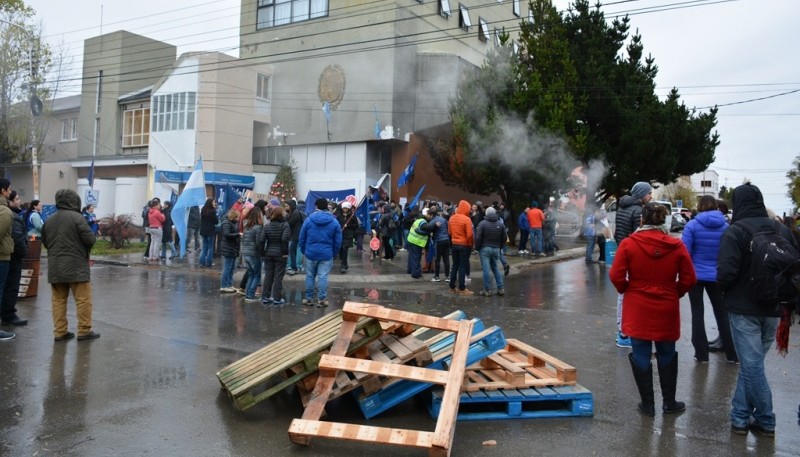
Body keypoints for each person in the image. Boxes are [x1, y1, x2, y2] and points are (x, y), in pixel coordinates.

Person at [717, 183, 796, 437]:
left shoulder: (735, 231)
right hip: (774, 307)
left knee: (751, 366)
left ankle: (765, 418)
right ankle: (740, 417)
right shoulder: (781, 229)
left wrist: (726, 291)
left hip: (743, 310)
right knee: (753, 365)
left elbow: (726, 274)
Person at [609, 202, 696, 417]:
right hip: (666, 305)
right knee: (667, 351)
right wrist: (676, 292)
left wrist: (627, 289)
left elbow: (616, 275)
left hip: (637, 305)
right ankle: (669, 402)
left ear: (642, 220)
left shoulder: (629, 244)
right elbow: (689, 278)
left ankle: (647, 405)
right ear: (664, 221)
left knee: (640, 352)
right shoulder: (676, 246)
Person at [681, 195, 737, 364]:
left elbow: (685, 253)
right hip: (718, 276)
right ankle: (732, 354)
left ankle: (701, 354)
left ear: (699, 206)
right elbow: (728, 253)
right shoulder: (726, 227)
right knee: (722, 314)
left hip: (696, 275)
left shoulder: (692, 225)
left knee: (697, 313)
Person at [42, 189, 99, 341]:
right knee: (83, 299)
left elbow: (46, 242)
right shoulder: (77, 218)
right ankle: (84, 330)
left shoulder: (49, 220)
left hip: (55, 266)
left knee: (58, 301)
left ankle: (60, 332)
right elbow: (90, 239)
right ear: (74, 201)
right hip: (77, 266)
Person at [612, 181, 653, 348]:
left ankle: (621, 331)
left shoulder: (622, 207)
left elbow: (618, 232)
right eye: (649, 193)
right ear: (643, 194)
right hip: (633, 255)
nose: (651, 196)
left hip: (623, 251)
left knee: (622, 296)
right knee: (630, 296)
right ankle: (625, 333)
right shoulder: (638, 211)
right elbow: (640, 237)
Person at [299, 198, 341, 307]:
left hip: (310, 253)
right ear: (327, 206)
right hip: (326, 254)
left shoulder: (308, 220)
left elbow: (302, 238)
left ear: (316, 206)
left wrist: (304, 250)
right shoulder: (334, 221)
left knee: (310, 276)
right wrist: (334, 253)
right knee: (322, 276)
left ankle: (309, 299)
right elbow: (338, 241)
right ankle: (321, 300)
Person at [1, 190, 28, 328]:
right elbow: (17, 239)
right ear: (10, 201)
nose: (20, 201)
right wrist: (23, 252)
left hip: (8, 255)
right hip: (12, 256)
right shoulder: (11, 215)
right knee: (11, 286)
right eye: (17, 199)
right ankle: (8, 314)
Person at [260, 206, 290, 305]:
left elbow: (261, 240)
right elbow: (284, 239)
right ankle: (277, 298)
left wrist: (262, 252)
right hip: (280, 254)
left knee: (268, 275)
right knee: (278, 276)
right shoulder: (285, 225)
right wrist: (285, 253)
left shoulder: (267, 226)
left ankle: (265, 296)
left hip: (268, 253)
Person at [475, 206, 506, 296]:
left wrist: (477, 248)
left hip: (484, 248)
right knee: (495, 268)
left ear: (486, 214)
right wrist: (500, 246)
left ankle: (487, 290)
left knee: (486, 269)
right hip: (496, 248)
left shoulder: (482, 223)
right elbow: (504, 237)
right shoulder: (500, 224)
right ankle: (501, 288)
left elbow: (478, 237)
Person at [448, 200, 474, 296]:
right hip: (464, 245)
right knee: (462, 266)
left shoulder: (451, 218)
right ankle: (462, 288)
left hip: (454, 244)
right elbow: (470, 235)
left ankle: (452, 287)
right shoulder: (467, 219)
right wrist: (471, 244)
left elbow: (449, 232)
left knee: (455, 265)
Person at [240, 205, 264, 302]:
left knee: (251, 274)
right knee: (257, 275)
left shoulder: (247, 227)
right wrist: (262, 252)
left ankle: (248, 294)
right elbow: (259, 242)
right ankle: (250, 295)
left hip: (246, 253)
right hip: (254, 254)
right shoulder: (258, 228)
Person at [406, 208, 433, 279]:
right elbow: (423, 230)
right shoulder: (423, 222)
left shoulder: (418, 220)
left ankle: (410, 270)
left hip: (411, 240)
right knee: (416, 258)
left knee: (411, 257)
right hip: (416, 242)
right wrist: (429, 232)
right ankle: (416, 273)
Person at [219, 209, 241, 292]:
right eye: (237, 217)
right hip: (228, 247)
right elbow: (226, 234)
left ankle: (229, 284)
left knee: (231, 268)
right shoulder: (226, 223)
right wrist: (237, 234)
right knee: (227, 267)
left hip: (233, 247)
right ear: (233, 216)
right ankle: (224, 285)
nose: (238, 219)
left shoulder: (233, 223)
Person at [337, 202, 359, 274]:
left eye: (346, 208)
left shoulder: (352, 216)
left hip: (348, 235)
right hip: (341, 234)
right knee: (341, 250)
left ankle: (343, 266)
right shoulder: (339, 216)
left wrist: (348, 225)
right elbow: (336, 224)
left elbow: (356, 225)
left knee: (345, 249)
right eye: (344, 208)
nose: (345, 210)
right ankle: (345, 263)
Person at [429, 207, 450, 282]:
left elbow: (429, 228)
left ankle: (437, 276)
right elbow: (448, 228)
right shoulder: (443, 219)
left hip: (439, 241)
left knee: (437, 259)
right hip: (446, 240)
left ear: (431, 215)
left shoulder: (433, 221)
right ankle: (447, 277)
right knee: (446, 259)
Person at [285, 199, 304, 275]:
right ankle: (294, 266)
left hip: (295, 236)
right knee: (292, 252)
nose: (285, 207)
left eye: (287, 206)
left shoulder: (295, 213)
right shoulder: (290, 213)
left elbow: (288, 223)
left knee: (293, 252)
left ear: (291, 206)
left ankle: (294, 268)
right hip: (292, 235)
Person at [199, 198, 218, 267]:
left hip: (203, 230)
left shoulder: (203, 210)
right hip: (210, 231)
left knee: (204, 247)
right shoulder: (212, 211)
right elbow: (216, 222)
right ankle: (209, 262)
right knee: (210, 247)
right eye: (213, 202)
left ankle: (202, 262)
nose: (214, 203)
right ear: (210, 203)